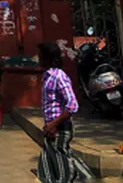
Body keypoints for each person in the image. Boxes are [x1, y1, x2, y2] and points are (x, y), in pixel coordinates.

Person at [37, 41, 90, 182]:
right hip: (51, 127)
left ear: (47, 58)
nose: (39, 59)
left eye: (41, 56)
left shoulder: (58, 76)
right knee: (49, 162)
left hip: (60, 127)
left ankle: (84, 177)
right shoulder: (47, 77)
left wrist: (54, 124)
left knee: (63, 167)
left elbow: (72, 105)